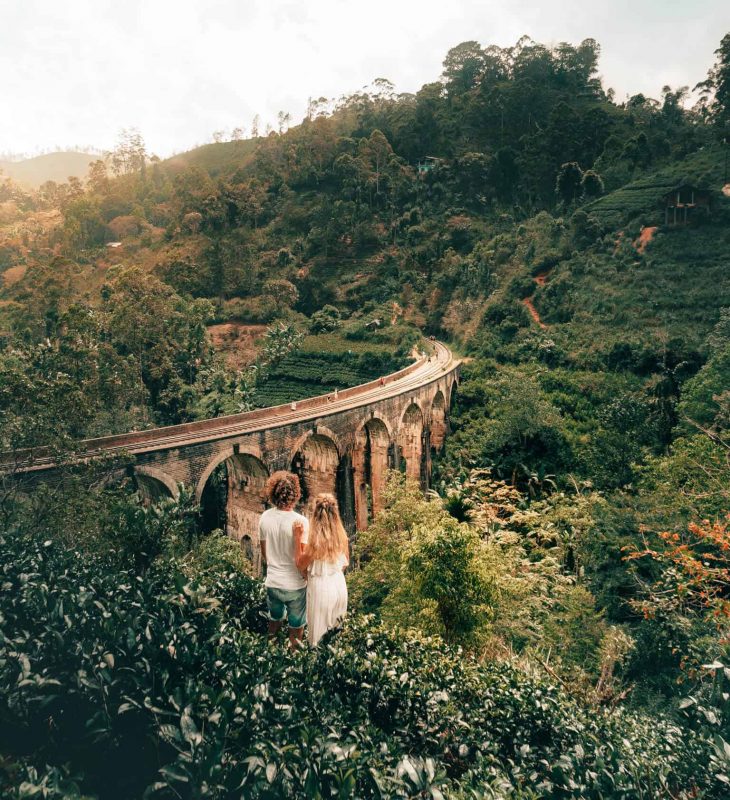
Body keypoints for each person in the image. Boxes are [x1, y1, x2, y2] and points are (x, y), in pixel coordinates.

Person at [258, 471, 309, 649]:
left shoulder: (264, 518)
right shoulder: (301, 522)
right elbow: (302, 560)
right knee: (296, 630)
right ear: (296, 494)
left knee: (274, 624)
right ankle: (293, 665)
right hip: (295, 585)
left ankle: (271, 658)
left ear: (273, 493)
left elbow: (264, 554)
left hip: (273, 582)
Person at [294, 494, 349, 646]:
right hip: (339, 585)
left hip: (321, 588)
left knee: (317, 641)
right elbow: (345, 563)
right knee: (337, 641)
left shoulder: (315, 541)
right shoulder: (341, 537)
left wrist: (297, 538)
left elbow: (300, 564)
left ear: (315, 514)